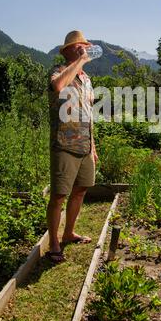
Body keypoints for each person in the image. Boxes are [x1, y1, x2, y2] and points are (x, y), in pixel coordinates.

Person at [46, 30, 98, 263]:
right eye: (77, 47)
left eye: (83, 46)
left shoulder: (87, 79)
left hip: (85, 145)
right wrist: (80, 61)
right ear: (67, 51)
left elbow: (89, 114)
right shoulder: (59, 71)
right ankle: (55, 242)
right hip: (64, 144)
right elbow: (58, 86)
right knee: (59, 195)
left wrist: (93, 146)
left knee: (81, 189)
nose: (82, 49)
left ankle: (68, 233)